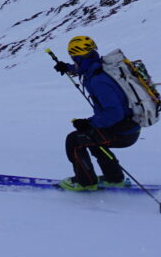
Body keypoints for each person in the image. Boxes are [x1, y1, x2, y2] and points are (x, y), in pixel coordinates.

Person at [53, 34, 139, 191]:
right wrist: (67, 68)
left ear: (77, 56)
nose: (73, 60)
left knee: (75, 140)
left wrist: (88, 123)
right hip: (129, 126)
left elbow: (114, 113)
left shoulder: (98, 81)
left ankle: (85, 182)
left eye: (73, 57)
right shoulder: (99, 67)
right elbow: (86, 69)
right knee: (92, 139)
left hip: (121, 131)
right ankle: (114, 179)